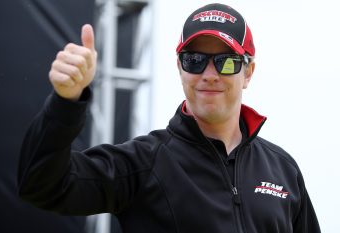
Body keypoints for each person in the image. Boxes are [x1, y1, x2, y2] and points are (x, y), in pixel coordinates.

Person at [18, 3, 321, 233]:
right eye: (195, 60)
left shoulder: (283, 170)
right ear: (179, 68)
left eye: (226, 62)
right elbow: (39, 184)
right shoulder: (144, 162)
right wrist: (66, 101)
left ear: (248, 72)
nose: (209, 74)